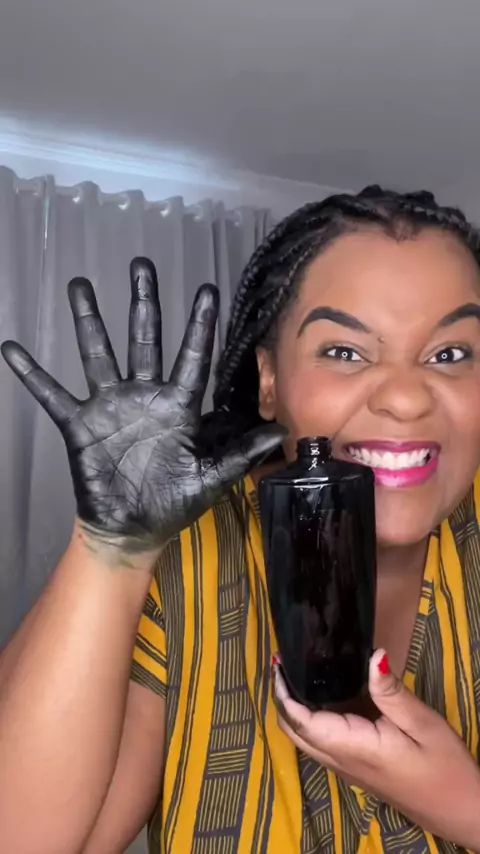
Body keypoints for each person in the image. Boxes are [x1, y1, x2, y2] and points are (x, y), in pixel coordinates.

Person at [0, 186, 479, 854]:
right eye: (344, 352)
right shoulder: (193, 555)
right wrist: (112, 550)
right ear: (269, 381)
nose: (405, 398)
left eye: (451, 354)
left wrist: (460, 803)